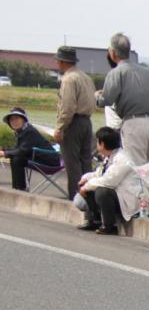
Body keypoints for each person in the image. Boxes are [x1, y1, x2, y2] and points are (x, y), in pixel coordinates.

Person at [94, 33, 149, 169]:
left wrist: (97, 97)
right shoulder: (147, 71)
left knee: (136, 167)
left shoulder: (116, 73)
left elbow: (106, 100)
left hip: (133, 123)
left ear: (113, 52)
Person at [79, 127, 143, 235]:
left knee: (102, 192)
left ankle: (110, 225)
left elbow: (109, 181)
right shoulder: (110, 156)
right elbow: (100, 173)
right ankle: (96, 220)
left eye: (98, 142)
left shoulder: (123, 159)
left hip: (127, 198)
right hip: (116, 193)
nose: (97, 146)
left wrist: (87, 186)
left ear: (102, 144)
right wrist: (86, 178)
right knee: (88, 187)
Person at [52, 46, 96, 198]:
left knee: (72, 164)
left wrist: (59, 128)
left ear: (62, 62)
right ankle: (89, 197)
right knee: (86, 162)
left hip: (73, 123)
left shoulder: (69, 79)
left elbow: (68, 107)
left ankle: (76, 197)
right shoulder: (85, 77)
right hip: (86, 122)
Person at [1, 107, 58, 191]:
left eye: (17, 119)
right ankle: (17, 188)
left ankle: (20, 189)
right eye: (12, 120)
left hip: (50, 161)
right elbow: (18, 148)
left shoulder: (29, 131)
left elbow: (23, 150)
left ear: (24, 119)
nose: (14, 122)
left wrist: (5, 154)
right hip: (38, 157)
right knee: (15, 157)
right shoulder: (21, 131)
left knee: (18, 158)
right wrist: (4, 150)